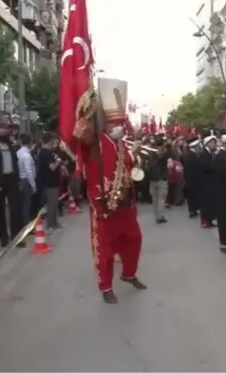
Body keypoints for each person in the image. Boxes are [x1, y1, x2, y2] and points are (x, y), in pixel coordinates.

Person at [78, 78, 147, 304]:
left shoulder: (119, 144)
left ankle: (129, 273)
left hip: (125, 203)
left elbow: (129, 165)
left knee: (134, 239)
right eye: (115, 123)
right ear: (105, 122)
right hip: (104, 204)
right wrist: (89, 109)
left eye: (121, 123)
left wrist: (135, 154)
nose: (120, 127)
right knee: (105, 250)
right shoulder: (95, 142)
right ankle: (105, 286)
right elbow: (79, 136)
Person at [146, 136, 170, 224]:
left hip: (152, 179)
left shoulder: (150, 152)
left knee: (154, 199)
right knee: (161, 199)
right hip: (162, 179)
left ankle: (156, 216)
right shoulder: (165, 152)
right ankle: (160, 216)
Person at [198, 133, 219, 228]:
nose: (214, 144)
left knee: (211, 202)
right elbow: (205, 166)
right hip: (205, 182)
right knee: (205, 203)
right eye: (212, 143)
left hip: (211, 182)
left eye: (215, 142)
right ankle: (204, 220)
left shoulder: (212, 153)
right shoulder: (203, 154)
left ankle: (210, 220)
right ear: (207, 144)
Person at [17, 133, 36, 226]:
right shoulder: (27, 155)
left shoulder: (18, 152)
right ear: (29, 143)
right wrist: (33, 185)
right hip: (26, 180)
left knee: (22, 202)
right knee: (27, 203)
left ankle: (22, 221)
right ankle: (26, 223)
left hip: (20, 179)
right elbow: (29, 171)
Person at [183, 138, 201, 218]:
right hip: (193, 178)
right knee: (193, 195)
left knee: (193, 195)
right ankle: (192, 210)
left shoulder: (190, 154)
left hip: (190, 178)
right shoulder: (192, 155)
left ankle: (193, 210)